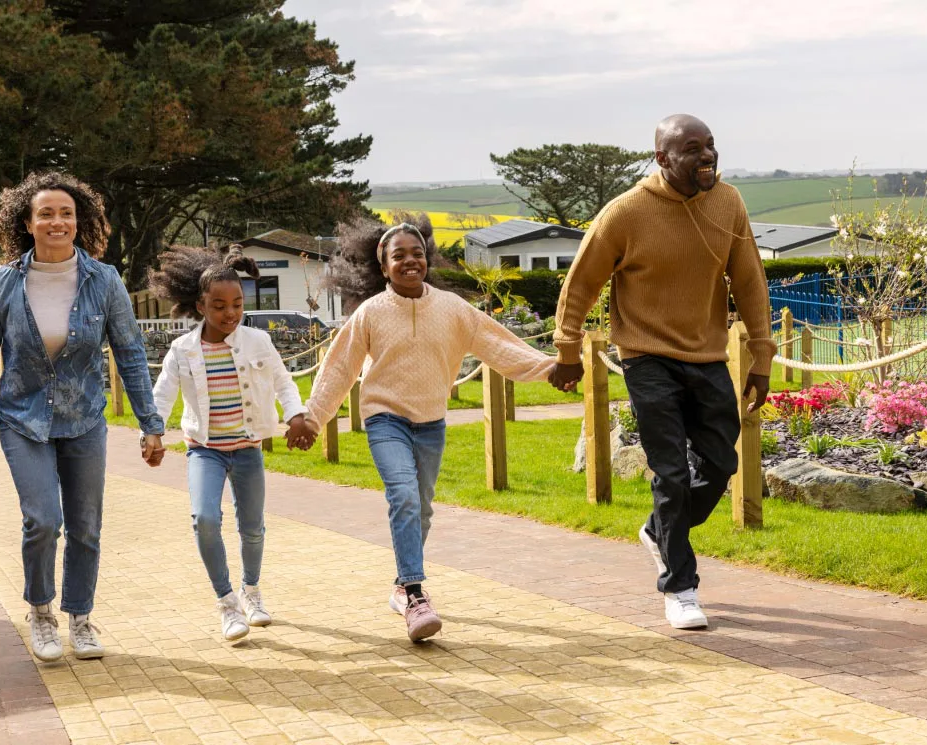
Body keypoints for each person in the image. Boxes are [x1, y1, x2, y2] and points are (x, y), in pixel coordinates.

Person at [548, 115, 775, 630]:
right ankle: (680, 588)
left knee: (720, 464)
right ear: (663, 158)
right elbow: (581, 283)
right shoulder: (626, 212)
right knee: (671, 473)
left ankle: (659, 531)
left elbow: (749, 281)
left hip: (707, 356)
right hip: (645, 356)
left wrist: (761, 357)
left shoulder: (729, 203)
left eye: (710, 145)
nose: (707, 156)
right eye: (692, 149)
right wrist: (567, 349)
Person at [305, 216, 557, 642]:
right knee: (403, 496)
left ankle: (400, 587)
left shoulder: (452, 308)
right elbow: (339, 368)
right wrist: (313, 418)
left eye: (417, 253)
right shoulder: (370, 313)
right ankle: (416, 594)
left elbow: (498, 344)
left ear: (428, 259)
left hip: (431, 423)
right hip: (385, 418)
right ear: (384, 267)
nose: (410, 261)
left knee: (420, 509)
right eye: (398, 255)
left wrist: (549, 368)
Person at [0, 171, 166, 662]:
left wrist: (150, 424)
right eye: (46, 213)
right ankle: (41, 612)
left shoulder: (104, 280)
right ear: (27, 223)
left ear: (79, 220)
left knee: (86, 526)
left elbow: (130, 354)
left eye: (66, 213)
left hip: (84, 419)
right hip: (22, 418)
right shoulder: (3, 283)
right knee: (43, 521)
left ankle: (81, 618)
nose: (58, 221)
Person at [147, 245, 318, 642]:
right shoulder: (183, 349)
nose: (230, 314)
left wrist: (296, 415)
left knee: (252, 527)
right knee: (205, 519)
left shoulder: (258, 341)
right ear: (201, 306)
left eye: (238, 304)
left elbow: (283, 383)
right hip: (204, 450)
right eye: (219, 306)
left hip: (247, 449)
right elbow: (162, 395)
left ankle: (251, 591)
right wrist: (151, 432)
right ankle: (227, 601)